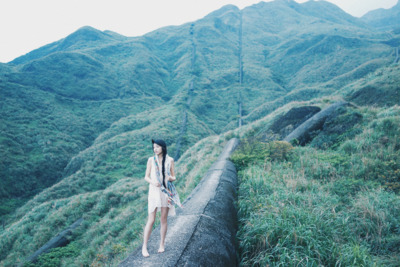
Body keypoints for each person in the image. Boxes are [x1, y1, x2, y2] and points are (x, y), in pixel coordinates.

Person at [142, 139, 177, 257]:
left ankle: (162, 244)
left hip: (165, 192)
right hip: (153, 192)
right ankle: (144, 247)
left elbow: (174, 176)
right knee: (151, 220)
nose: (155, 149)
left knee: (163, 220)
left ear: (163, 147)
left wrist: (169, 178)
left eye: (157, 147)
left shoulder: (170, 160)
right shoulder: (151, 160)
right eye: (154, 147)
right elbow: (146, 177)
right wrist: (153, 182)